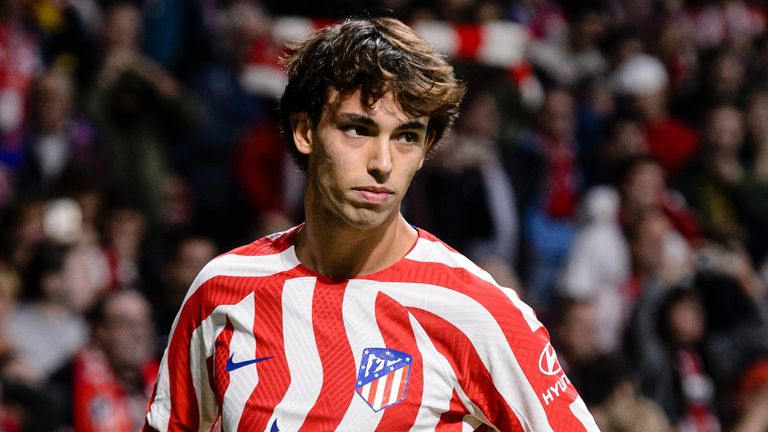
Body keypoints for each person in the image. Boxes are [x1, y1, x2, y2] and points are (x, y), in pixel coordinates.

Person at [144, 16, 598, 431]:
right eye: (358, 129)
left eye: (406, 137)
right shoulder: (222, 290)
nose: (383, 163)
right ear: (305, 131)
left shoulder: (477, 311)